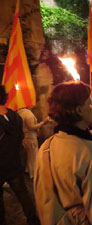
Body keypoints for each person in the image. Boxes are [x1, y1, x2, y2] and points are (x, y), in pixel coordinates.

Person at [34, 81, 92, 225]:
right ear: (79, 110)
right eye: (90, 103)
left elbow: (42, 200)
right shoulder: (88, 152)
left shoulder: (45, 147)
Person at [0, 85, 40, 225]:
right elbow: (19, 137)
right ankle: (33, 219)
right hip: (13, 163)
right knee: (23, 194)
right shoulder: (15, 115)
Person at [17, 108, 48, 178]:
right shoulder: (28, 114)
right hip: (31, 138)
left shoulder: (20, 113)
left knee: (28, 157)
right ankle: (33, 174)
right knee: (33, 157)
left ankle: (28, 171)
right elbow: (31, 127)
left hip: (24, 137)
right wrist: (42, 123)